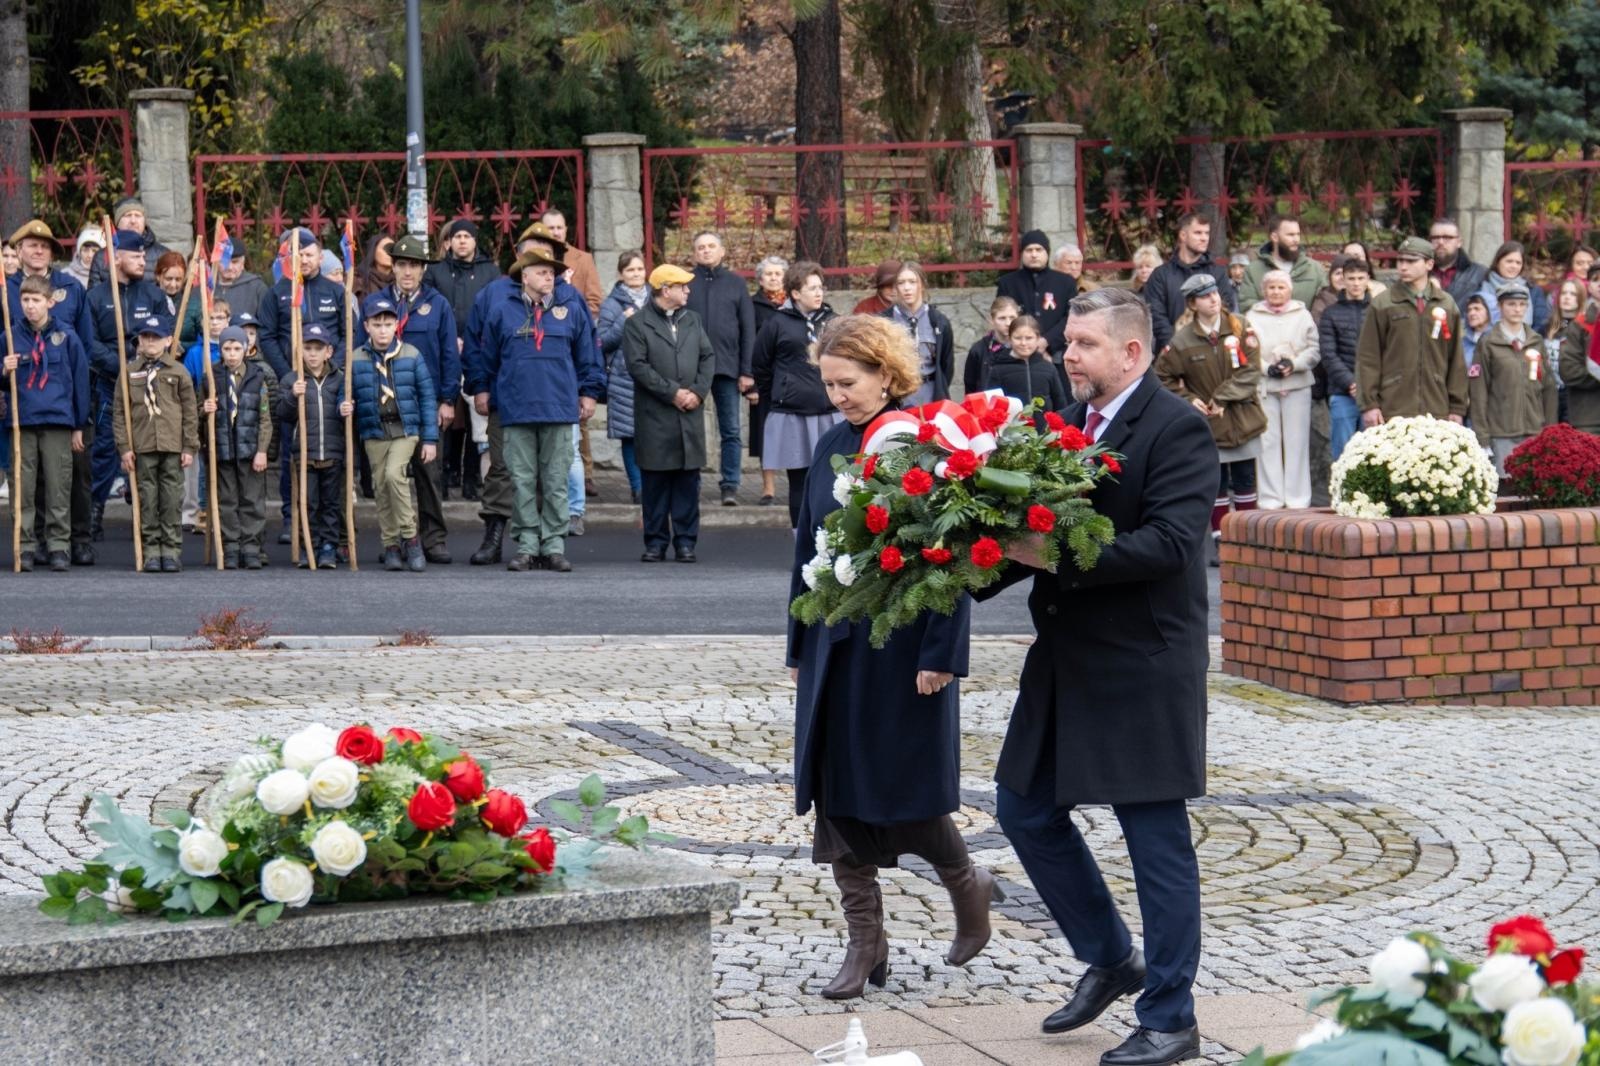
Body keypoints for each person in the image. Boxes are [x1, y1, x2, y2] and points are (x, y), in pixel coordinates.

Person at [979, 287, 1213, 1066]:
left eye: (1081, 343)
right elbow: (1031, 533)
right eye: (1066, 341)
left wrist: (1050, 555)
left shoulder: (1177, 428)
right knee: (1022, 809)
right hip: (1067, 660)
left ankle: (1172, 1018)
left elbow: (1171, 545)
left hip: (1143, 664)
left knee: (1155, 841)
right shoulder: (1068, 427)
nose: (1065, 354)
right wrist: (966, 561)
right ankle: (1112, 957)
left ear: (1131, 353)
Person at [787, 313, 990, 1002]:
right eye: (829, 384)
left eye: (848, 382)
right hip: (834, 643)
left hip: (900, 645)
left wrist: (942, 652)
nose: (837, 396)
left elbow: (950, 552)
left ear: (884, 373)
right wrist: (798, 642)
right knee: (836, 788)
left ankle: (967, 884)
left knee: (902, 788)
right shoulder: (829, 448)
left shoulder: (913, 445)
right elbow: (806, 550)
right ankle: (865, 941)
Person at [460, 223, 591, 565]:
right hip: (511, 403)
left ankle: (553, 545)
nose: (548, 271)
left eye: (550, 260)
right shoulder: (495, 298)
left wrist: (589, 392)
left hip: (557, 402)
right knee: (508, 473)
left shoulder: (570, 300)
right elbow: (480, 350)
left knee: (553, 476)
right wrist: (480, 387)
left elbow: (587, 350)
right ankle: (508, 540)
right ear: (520, 262)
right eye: (538, 261)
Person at [361, 234, 458, 564]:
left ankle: (433, 538)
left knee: (428, 474)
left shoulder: (438, 304)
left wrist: (448, 399)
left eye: (414, 265)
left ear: (422, 270)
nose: (407, 271)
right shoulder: (378, 303)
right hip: (386, 404)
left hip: (425, 401)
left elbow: (448, 355)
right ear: (393, 267)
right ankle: (396, 539)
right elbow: (364, 350)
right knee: (388, 476)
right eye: (401, 264)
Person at [1156, 273, 1265, 567]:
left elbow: (1252, 369)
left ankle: (1248, 540)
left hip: (1241, 416)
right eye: (1205, 296)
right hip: (1208, 423)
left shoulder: (1240, 327)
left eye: (1214, 293)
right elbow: (1162, 376)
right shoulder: (1183, 340)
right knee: (1216, 483)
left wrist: (1223, 396)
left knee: (1245, 480)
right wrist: (1190, 399)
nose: (1213, 299)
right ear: (1193, 303)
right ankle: (1221, 541)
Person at [7, 221, 100, 564]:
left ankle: (73, 540)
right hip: (20, 402)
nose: (38, 250)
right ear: (18, 250)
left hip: (62, 401)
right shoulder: (7, 290)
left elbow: (83, 348)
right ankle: (33, 544)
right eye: (31, 245)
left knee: (70, 476)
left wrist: (78, 411)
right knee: (28, 480)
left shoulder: (70, 288)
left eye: (44, 246)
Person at [259, 228, 347, 546]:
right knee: (291, 455)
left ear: (319, 257)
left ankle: (331, 527)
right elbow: (266, 336)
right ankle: (292, 518)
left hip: (329, 383)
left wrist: (336, 368)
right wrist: (286, 374)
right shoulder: (278, 292)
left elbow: (346, 333)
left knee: (332, 455)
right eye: (297, 254)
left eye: (309, 254)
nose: (304, 260)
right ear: (287, 257)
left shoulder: (334, 291)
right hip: (294, 384)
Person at [623, 264, 716, 563]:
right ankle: (656, 542)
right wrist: (672, 392)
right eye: (682, 286)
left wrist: (698, 392)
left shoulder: (693, 320)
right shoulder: (637, 324)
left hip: (689, 413)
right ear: (666, 290)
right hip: (656, 415)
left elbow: (707, 357)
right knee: (656, 483)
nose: (688, 291)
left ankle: (686, 541)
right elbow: (638, 367)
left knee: (688, 482)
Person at [85, 230, 166, 561]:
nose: (142, 261)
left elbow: (166, 334)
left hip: (148, 383)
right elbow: (89, 344)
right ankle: (93, 514)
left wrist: (141, 363)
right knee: (105, 449)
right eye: (136, 256)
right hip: (110, 384)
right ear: (117, 256)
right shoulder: (96, 297)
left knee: (150, 449)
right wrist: (120, 367)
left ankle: (150, 518)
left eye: (144, 256)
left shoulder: (153, 294)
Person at [349, 300, 436, 572]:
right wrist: (344, 403)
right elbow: (345, 392)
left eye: (388, 324)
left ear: (396, 325)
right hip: (374, 431)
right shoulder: (356, 358)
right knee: (381, 487)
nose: (383, 330)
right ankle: (391, 545)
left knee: (393, 475)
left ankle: (411, 538)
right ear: (366, 327)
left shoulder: (411, 354)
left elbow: (427, 398)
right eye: (377, 325)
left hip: (405, 429)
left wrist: (430, 438)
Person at [753, 261, 840, 527]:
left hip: (829, 413)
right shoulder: (776, 323)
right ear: (795, 293)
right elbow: (760, 365)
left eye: (820, 287)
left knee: (832, 480)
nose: (819, 293)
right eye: (811, 288)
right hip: (792, 414)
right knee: (799, 482)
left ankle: (830, 540)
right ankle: (800, 540)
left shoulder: (833, 322)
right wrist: (782, 394)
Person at [112, 315, 198, 572]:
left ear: (168, 340)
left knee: (171, 500)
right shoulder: (128, 372)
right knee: (147, 500)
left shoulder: (178, 371)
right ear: (138, 340)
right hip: (142, 446)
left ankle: (170, 550)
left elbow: (190, 411)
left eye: (156, 337)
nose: (150, 342)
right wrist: (124, 447)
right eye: (146, 337)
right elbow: (119, 412)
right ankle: (151, 550)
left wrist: (189, 446)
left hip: (172, 445)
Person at [1356, 236, 1468, 427]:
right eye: (1400, 260)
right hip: (1393, 405)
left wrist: (1457, 407)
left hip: (1437, 405)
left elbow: (1456, 358)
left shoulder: (1446, 304)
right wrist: (1370, 404)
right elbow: (1368, 356)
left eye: (1411, 261)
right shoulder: (1384, 303)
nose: (1403, 266)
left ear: (1429, 264)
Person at [425, 218, 501, 503]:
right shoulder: (435, 271)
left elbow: (495, 312)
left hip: (477, 353)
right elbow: (430, 307)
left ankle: (472, 482)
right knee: (444, 415)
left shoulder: (490, 273)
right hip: (443, 352)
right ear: (449, 241)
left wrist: (472, 342)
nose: (462, 241)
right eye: (457, 236)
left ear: (475, 241)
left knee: (476, 419)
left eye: (467, 236)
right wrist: (449, 339)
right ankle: (442, 480)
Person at [686, 230, 757, 506]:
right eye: (701, 247)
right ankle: (692, 483)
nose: (705, 251)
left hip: (728, 367)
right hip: (692, 369)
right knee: (692, 429)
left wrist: (747, 370)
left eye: (711, 246)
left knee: (730, 430)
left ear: (722, 251)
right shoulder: (687, 283)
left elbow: (748, 329)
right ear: (694, 253)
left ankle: (730, 485)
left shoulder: (736, 284)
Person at [274, 322, 350, 570]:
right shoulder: (291, 379)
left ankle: (328, 546)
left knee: (331, 503)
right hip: (304, 454)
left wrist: (347, 410)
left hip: (332, 451)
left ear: (328, 351)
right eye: (308, 348)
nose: (313, 353)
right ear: (300, 351)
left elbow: (346, 414)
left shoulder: (339, 379)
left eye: (318, 348)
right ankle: (310, 544)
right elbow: (283, 415)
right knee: (309, 502)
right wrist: (291, 396)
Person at [1247, 270, 1320, 509]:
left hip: (1297, 385)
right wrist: (1267, 368)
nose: (1276, 292)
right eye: (1272, 288)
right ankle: (1270, 498)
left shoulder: (1302, 314)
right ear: (1263, 290)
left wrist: (1294, 364)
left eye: (1281, 287)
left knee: (1297, 442)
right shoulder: (1252, 316)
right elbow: (1247, 351)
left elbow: (1313, 350)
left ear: (1290, 290)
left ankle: (1298, 498)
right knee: (1267, 442)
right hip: (1266, 385)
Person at [202, 326, 274, 569]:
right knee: (227, 500)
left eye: (236, 348)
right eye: (226, 349)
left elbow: (265, 417)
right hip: (223, 449)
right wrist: (205, 410)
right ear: (220, 350)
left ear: (246, 348)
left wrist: (262, 449)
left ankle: (251, 546)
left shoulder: (257, 376)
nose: (231, 354)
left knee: (252, 499)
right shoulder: (211, 377)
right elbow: (196, 412)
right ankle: (231, 546)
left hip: (250, 449)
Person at [1469, 281, 1556, 473]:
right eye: (1511, 304)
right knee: (1506, 493)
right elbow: (1478, 391)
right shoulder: (1488, 343)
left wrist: (1550, 431)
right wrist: (1482, 436)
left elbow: (1549, 388)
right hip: (1502, 433)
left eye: (1522, 304)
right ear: (1500, 307)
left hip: (1535, 431)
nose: (1517, 309)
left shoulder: (1536, 341)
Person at [598, 250, 650, 504]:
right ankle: (637, 487)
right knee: (630, 436)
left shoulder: (656, 298)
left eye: (639, 269)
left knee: (652, 435)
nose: (636, 274)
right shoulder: (612, 304)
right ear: (621, 274)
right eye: (630, 270)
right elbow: (602, 341)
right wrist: (623, 320)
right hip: (623, 379)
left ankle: (653, 486)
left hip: (653, 376)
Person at [1144, 214, 1236, 351]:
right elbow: (1156, 317)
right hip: (1172, 354)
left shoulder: (1217, 272)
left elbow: (1226, 308)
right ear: (1183, 235)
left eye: (1207, 233)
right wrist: (1177, 346)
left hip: (1212, 351)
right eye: (1198, 233)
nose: (1204, 238)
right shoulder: (1160, 275)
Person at [1318, 257, 1372, 462]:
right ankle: (1342, 495)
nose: (1356, 283)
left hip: (1373, 394)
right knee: (1343, 455)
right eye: (1351, 278)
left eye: (1360, 278)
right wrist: (1350, 383)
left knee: (1372, 455)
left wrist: (1368, 385)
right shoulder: (1330, 313)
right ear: (1343, 280)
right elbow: (1329, 354)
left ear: (1368, 279)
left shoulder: (1377, 310)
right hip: (1342, 393)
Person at [880, 260, 954, 404]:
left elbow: (946, 365)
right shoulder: (884, 321)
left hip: (930, 393)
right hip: (896, 395)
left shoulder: (939, 321)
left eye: (912, 282)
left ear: (922, 285)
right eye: (901, 283)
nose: (907, 288)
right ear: (895, 287)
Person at [996, 230, 1077, 357]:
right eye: (1029, 250)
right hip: (1018, 354)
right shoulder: (1007, 283)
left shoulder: (1066, 282)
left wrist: (1046, 341)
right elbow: (1002, 317)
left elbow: (1072, 317)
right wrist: (1026, 342)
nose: (1034, 254)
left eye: (1039, 250)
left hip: (1057, 355)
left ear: (1047, 253)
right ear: (1022, 254)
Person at [750, 255, 789, 505]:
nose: (774, 278)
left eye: (778, 273)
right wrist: (751, 382)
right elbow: (747, 343)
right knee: (766, 433)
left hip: (791, 379)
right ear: (760, 279)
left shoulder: (794, 303)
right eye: (769, 274)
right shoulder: (751, 305)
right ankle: (768, 489)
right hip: (764, 379)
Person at [975, 314, 1066, 414]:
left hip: (1044, 429)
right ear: (1010, 339)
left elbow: (1060, 404)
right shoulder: (998, 370)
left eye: (1029, 338)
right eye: (1018, 338)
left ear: (1037, 338)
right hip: (1012, 428)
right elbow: (991, 407)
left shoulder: (1049, 369)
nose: (1023, 343)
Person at [1239, 215, 1326, 311]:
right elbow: (1246, 305)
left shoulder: (1314, 269)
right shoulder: (1253, 270)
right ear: (1274, 237)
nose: (1296, 239)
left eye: (1298, 234)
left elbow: (1325, 303)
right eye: (1290, 235)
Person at [87, 196, 172, 287]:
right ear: (117, 222)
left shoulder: (163, 255)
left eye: (138, 215)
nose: (133, 221)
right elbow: (94, 296)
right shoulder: (102, 257)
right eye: (127, 215)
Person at [1557, 265, 1600, 433]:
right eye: (1595, 279)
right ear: (1588, 285)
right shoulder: (1578, 326)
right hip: (1589, 418)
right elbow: (1569, 370)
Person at [1476, 241, 1552, 335]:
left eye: (1518, 263)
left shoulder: (1533, 290)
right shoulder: (1482, 287)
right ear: (1498, 262)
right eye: (1509, 261)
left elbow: (1541, 324)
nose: (1514, 266)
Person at [1545, 278, 1588, 425]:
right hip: (1549, 394)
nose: (1567, 297)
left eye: (1573, 294)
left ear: (1581, 299)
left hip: (1575, 394)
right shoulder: (1547, 326)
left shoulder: (1586, 328)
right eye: (1564, 293)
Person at [1428, 217, 1489, 310]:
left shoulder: (1479, 274)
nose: (1440, 242)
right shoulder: (1420, 273)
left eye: (1447, 237)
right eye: (1435, 238)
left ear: (1459, 242)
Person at [963, 295, 1019, 396]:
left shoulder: (1024, 348)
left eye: (1012, 318)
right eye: (1002, 318)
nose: (1008, 323)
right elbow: (970, 387)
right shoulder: (978, 350)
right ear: (991, 320)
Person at [215, 239, 270, 324]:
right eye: (224, 261)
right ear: (217, 262)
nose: (229, 267)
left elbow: (266, 325)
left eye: (235, 262)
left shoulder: (257, 288)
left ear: (242, 263)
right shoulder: (207, 286)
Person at [354, 234, 395, 299]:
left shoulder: (401, 281)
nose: (389, 253)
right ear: (373, 251)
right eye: (385, 248)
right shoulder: (358, 281)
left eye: (392, 249)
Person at [1463, 295, 1492, 371]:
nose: (1472, 313)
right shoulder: (1462, 343)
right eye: (1469, 310)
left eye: (1477, 309)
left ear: (1490, 312)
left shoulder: (1498, 340)